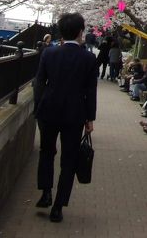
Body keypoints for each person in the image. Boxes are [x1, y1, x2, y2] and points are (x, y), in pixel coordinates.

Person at [33, 12, 98, 223]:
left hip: (49, 111)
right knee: (68, 160)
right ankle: (59, 206)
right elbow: (91, 91)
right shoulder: (88, 58)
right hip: (75, 114)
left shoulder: (49, 54)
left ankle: (45, 193)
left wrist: (39, 106)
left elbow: (39, 83)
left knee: (46, 152)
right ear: (81, 32)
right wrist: (89, 119)